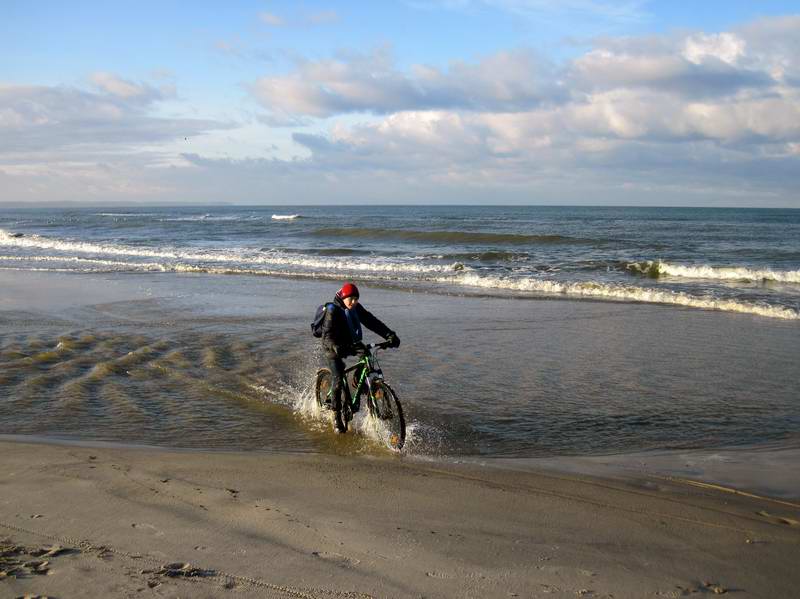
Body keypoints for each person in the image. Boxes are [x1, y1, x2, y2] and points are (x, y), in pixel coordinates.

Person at [319, 282, 400, 431]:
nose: (354, 302)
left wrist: (389, 334)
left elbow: (371, 321)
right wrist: (335, 347)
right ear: (343, 298)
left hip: (349, 342)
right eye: (351, 299)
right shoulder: (332, 310)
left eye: (356, 299)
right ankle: (336, 415)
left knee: (367, 358)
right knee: (338, 377)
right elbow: (327, 334)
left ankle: (359, 383)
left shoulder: (355, 307)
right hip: (331, 345)